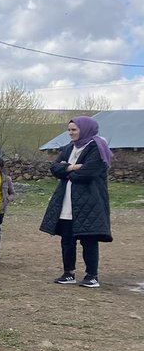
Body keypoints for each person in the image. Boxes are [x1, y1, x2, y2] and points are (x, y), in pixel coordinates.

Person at [40, 117, 113, 288]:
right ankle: (69, 273)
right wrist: (73, 167)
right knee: (66, 239)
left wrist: (67, 169)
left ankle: (92, 275)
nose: (71, 133)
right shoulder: (69, 148)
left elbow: (89, 172)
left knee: (88, 240)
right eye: (69, 130)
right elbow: (54, 168)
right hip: (66, 202)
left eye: (74, 130)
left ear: (85, 129)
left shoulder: (97, 148)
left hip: (89, 202)